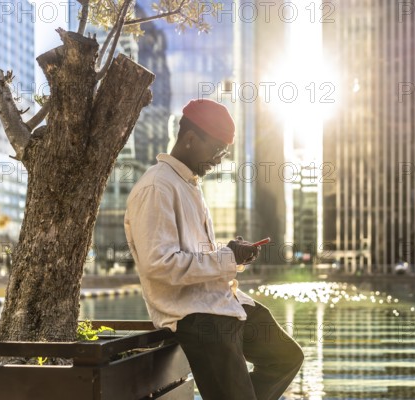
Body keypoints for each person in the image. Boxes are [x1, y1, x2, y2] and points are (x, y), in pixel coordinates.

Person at [124, 99, 304, 400]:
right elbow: (159, 264)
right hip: (194, 315)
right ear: (191, 139)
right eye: (217, 150)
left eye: (224, 153)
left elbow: (193, 253)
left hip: (220, 302)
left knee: (286, 357)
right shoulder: (157, 187)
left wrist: (232, 254)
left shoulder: (189, 185)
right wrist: (226, 257)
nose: (219, 160)